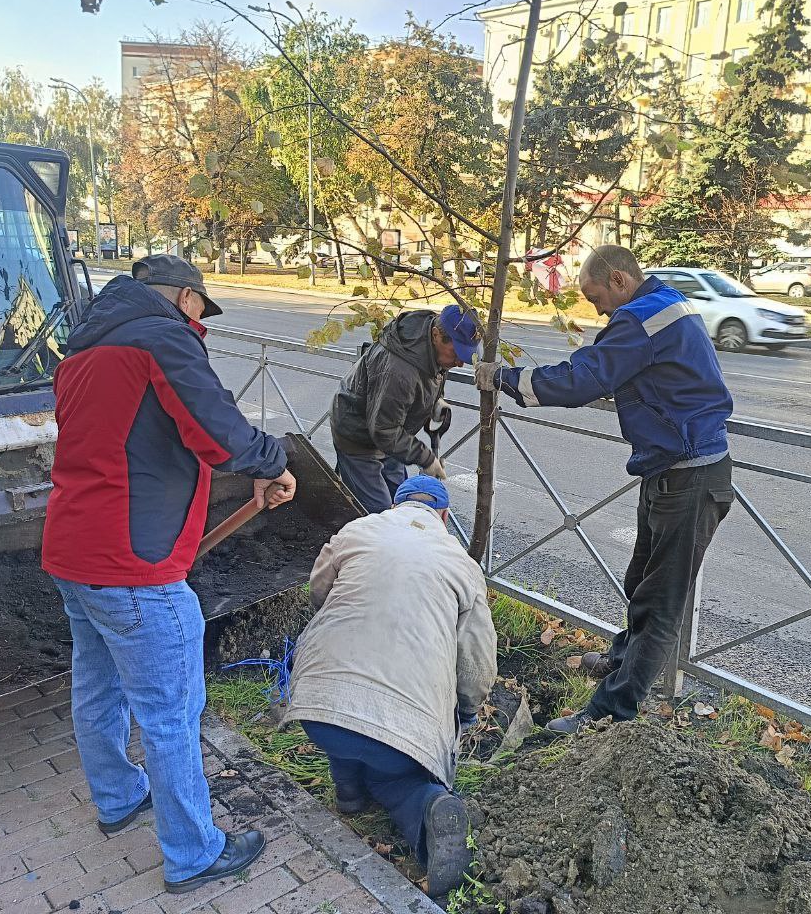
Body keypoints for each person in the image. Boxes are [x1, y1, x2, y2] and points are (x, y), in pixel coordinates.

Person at [42, 255, 296, 894]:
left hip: (73, 551)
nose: (200, 323)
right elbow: (219, 432)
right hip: (135, 565)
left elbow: (136, 437)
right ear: (186, 299)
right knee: (171, 711)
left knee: (98, 687)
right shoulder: (163, 339)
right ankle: (193, 853)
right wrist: (273, 461)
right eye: (201, 310)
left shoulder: (82, 353)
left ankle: (118, 797)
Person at [476, 244, 734, 734]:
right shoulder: (664, 302)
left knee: (660, 603)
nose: (596, 310)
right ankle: (622, 659)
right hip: (670, 468)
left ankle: (609, 712)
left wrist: (504, 379)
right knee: (640, 581)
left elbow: (581, 380)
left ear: (619, 279)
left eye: (596, 297)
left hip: (691, 476)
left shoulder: (641, 319)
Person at [282, 475, 497, 896]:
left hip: (317, 708)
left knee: (349, 720)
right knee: (394, 769)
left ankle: (348, 790)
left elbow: (319, 592)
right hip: (403, 729)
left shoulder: (356, 531)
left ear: (395, 506)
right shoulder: (462, 565)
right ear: (444, 516)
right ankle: (427, 806)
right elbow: (476, 661)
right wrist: (468, 710)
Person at [330, 305, 479, 513]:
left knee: (403, 501)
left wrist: (435, 401)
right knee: (378, 514)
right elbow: (384, 430)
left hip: (392, 433)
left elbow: (431, 375)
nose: (460, 363)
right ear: (436, 334)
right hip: (358, 437)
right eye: (456, 352)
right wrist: (426, 459)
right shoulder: (399, 370)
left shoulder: (430, 344)